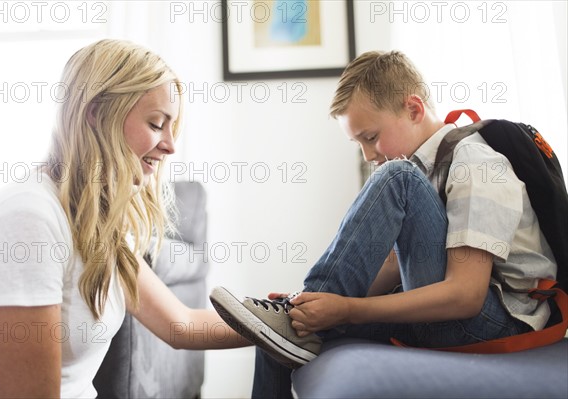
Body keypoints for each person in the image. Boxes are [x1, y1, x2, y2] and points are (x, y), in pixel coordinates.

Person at [209, 50, 558, 398]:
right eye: (358, 143)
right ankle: (290, 319)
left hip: (493, 321)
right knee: (275, 336)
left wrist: (348, 309)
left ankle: (289, 320)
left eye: (371, 137)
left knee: (397, 176)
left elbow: (465, 296)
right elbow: (391, 270)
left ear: (414, 109)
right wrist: (312, 305)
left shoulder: (474, 162)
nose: (367, 155)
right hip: (447, 315)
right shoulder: (423, 178)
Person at [0, 39, 248, 398]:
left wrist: (291, 322)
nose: (170, 146)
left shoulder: (96, 223)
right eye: (156, 123)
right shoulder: (27, 222)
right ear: (96, 114)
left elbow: (183, 326)